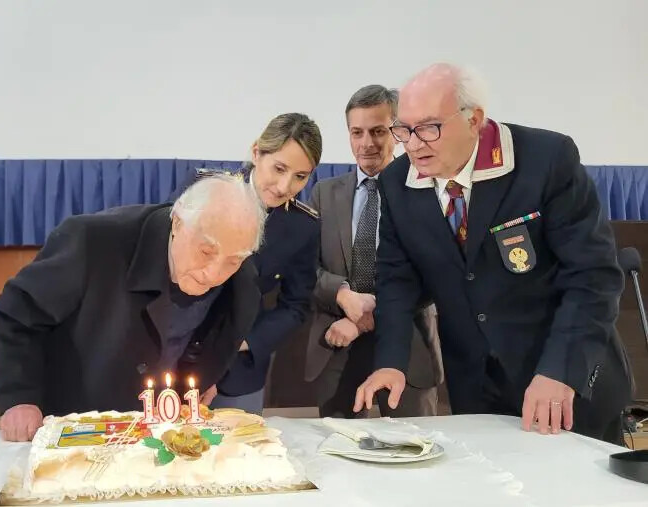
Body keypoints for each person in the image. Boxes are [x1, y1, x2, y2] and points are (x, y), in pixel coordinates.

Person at [354, 63, 633, 442]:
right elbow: (397, 281)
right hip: (476, 388)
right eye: (403, 129)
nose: (413, 144)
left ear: (474, 120)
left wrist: (561, 370)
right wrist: (391, 361)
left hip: (563, 380)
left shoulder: (546, 160)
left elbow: (593, 276)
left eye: (429, 128)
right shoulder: (396, 182)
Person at [0, 175, 267, 442]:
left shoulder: (242, 283)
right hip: (76, 429)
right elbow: (18, 315)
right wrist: (19, 397)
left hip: (155, 435)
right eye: (206, 252)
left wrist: (204, 373)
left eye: (232, 261)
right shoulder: (95, 241)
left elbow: (215, 339)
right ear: (178, 222)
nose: (214, 273)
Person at [305, 85, 443, 418]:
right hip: (337, 346)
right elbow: (306, 268)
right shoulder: (324, 193)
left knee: (413, 446)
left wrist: (365, 319)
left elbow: (435, 275)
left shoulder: (426, 190)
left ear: (397, 132)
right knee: (339, 447)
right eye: (357, 132)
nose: (367, 143)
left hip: (408, 351)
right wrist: (342, 295)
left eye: (378, 131)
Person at [177, 113, 322, 415]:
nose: (284, 186)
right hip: (176, 353)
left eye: (300, 176)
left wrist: (244, 342)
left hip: (239, 369)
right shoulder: (204, 189)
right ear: (257, 152)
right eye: (279, 168)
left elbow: (296, 305)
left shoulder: (303, 227)